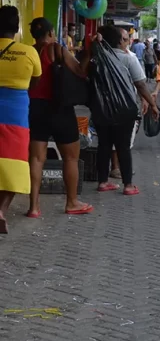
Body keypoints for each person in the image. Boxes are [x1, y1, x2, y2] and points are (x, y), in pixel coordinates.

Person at [26, 17, 93, 218]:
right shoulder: (56, 49)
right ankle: (72, 202)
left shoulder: (29, 52)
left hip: (35, 108)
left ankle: (34, 207)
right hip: (60, 108)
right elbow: (81, 71)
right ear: (51, 33)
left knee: (36, 159)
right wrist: (89, 53)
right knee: (71, 157)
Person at [95, 25, 159, 195]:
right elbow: (140, 84)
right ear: (118, 41)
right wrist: (152, 103)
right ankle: (128, 185)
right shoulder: (129, 59)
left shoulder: (97, 57)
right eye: (124, 39)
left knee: (104, 145)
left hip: (101, 108)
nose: (126, 42)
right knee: (123, 146)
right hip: (124, 109)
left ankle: (102, 182)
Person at [0, 5, 41, 234]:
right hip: (16, 115)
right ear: (16, 28)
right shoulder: (28, 52)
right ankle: (2, 209)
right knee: (14, 165)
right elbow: (34, 83)